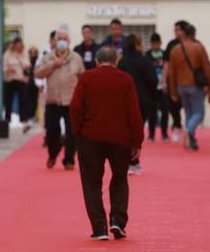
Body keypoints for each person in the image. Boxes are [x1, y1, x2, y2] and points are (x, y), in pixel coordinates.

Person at [70, 46, 144, 240]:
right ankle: (118, 221)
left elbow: (76, 107)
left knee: (91, 183)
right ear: (116, 60)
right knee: (120, 179)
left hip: (90, 137)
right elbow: (134, 113)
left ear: (96, 60)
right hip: (120, 139)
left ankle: (99, 227)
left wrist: (78, 132)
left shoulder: (86, 78)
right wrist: (137, 142)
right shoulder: (126, 80)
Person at [34, 29, 83, 170]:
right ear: (55, 41)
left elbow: (82, 77)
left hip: (71, 101)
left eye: (64, 38)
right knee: (52, 131)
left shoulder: (76, 58)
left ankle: (69, 160)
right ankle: (52, 154)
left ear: (69, 41)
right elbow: (37, 74)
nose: (62, 41)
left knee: (72, 132)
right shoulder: (47, 57)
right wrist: (53, 65)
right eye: (59, 38)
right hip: (53, 100)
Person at [165, 21, 210, 151]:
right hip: (195, 86)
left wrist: (173, 91)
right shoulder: (198, 47)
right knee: (199, 113)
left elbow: (171, 72)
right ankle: (189, 131)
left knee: (188, 112)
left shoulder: (175, 49)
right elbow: (207, 69)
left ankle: (191, 141)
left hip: (181, 86)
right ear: (194, 34)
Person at [118, 34, 158, 175]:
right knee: (137, 130)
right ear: (137, 45)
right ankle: (134, 161)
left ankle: (128, 161)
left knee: (126, 131)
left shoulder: (122, 62)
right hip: (143, 101)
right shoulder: (145, 62)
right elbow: (153, 81)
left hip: (125, 101)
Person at [148, 33, 177, 141]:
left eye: (157, 43)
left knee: (165, 111)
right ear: (151, 44)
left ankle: (164, 133)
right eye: (153, 44)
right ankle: (151, 134)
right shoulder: (147, 55)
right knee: (152, 112)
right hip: (152, 87)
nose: (155, 45)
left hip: (164, 86)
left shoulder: (165, 54)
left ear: (160, 43)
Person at [2, 37, 27, 124]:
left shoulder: (24, 53)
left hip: (21, 79)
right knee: (8, 100)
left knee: (23, 100)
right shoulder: (7, 54)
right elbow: (3, 66)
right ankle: (7, 119)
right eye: (17, 45)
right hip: (10, 80)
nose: (19, 47)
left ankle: (23, 119)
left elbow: (28, 65)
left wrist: (25, 66)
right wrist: (8, 70)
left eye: (20, 45)